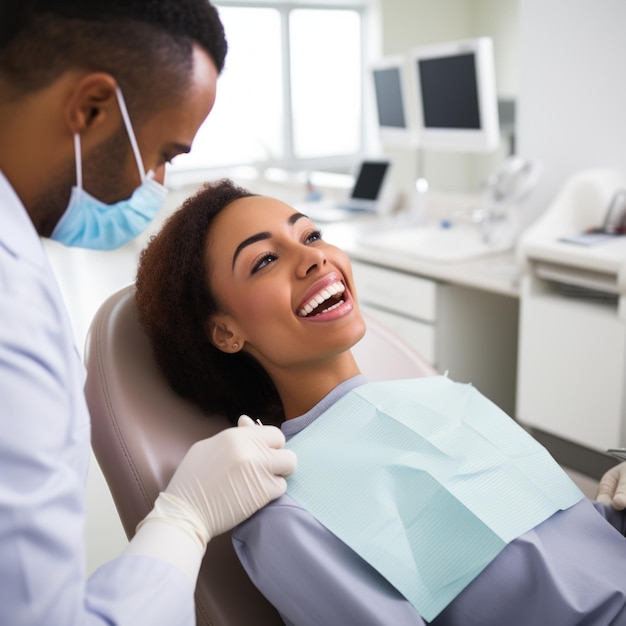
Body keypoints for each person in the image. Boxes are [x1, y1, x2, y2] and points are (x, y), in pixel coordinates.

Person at [135, 178, 626, 626]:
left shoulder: (444, 396)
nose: (314, 259)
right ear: (225, 331)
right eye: (264, 260)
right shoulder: (287, 509)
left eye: (310, 236)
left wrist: (611, 517)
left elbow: (560, 556)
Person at [0, 3, 296, 624]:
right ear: (90, 110)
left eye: (313, 235)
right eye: (163, 151)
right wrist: (181, 523)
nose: (157, 180)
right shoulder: (13, 322)